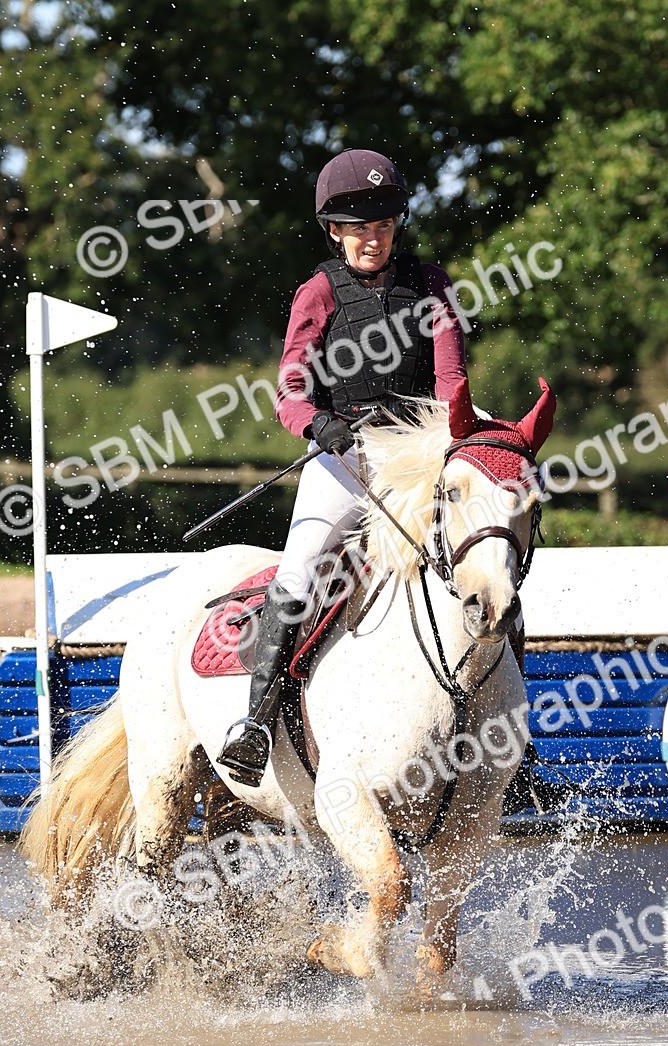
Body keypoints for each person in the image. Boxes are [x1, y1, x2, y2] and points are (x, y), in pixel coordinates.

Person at [217, 148, 472, 786]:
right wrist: (317, 425)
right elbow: (289, 391)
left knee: (481, 566)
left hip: (415, 463)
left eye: (382, 224)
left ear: (396, 225)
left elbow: (450, 381)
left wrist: (454, 441)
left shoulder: (435, 288)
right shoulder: (319, 292)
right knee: (301, 571)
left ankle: (505, 749)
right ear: (335, 231)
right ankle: (256, 721)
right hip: (344, 461)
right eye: (358, 227)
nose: (372, 238)